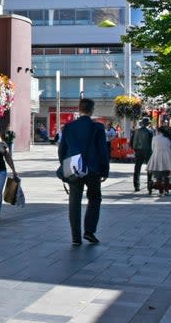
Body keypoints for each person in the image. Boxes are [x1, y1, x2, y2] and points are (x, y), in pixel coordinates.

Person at [57, 98, 109, 246]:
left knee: (74, 201)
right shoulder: (98, 128)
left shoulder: (69, 127)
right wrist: (104, 171)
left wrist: (64, 166)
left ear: (79, 109)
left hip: (74, 168)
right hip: (93, 170)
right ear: (92, 110)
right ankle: (89, 231)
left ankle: (75, 237)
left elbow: (62, 150)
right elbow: (102, 151)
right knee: (94, 198)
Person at [147, 126, 171, 195]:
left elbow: (153, 148)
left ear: (159, 131)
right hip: (167, 157)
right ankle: (166, 191)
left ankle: (160, 191)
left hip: (157, 156)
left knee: (158, 175)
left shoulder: (155, 138)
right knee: (166, 175)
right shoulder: (169, 138)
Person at [130, 118, 154, 191]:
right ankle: (149, 185)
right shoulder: (150, 131)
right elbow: (152, 142)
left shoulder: (136, 131)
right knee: (149, 168)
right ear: (148, 124)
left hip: (138, 151)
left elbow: (132, 141)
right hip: (148, 151)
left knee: (137, 168)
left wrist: (134, 148)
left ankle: (136, 185)